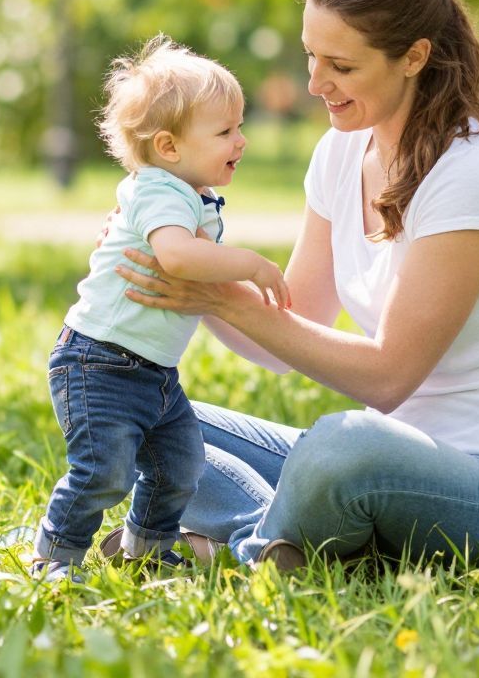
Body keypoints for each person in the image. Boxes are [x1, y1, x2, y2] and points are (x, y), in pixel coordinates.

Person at [114, 0, 479, 569]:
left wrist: (217, 294)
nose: (315, 83)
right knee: (142, 415)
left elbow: (388, 378)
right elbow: (291, 317)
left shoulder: (474, 171)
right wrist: (181, 267)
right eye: (311, 56)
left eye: (342, 66)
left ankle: (236, 550)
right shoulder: (340, 152)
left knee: (343, 445)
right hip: (387, 468)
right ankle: (296, 538)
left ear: (413, 57)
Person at [33, 36, 291, 579]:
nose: (240, 140)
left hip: (153, 371)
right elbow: (175, 256)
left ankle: (147, 548)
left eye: (239, 126)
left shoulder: (192, 195)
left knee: (179, 467)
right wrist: (249, 263)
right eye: (225, 131)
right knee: (103, 471)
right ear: (169, 147)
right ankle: (54, 557)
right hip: (98, 362)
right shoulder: (157, 188)